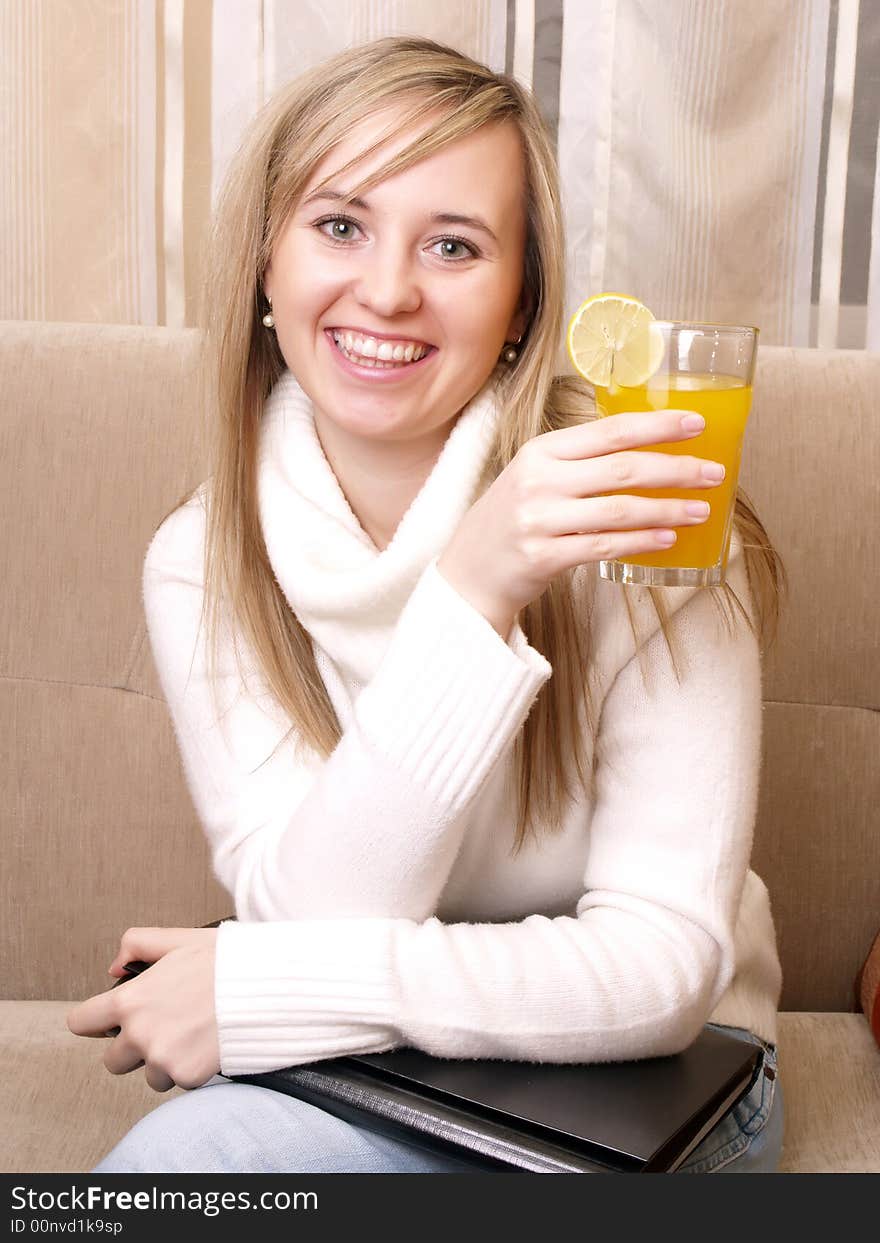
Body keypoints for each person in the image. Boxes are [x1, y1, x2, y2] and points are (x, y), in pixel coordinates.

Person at [67, 34, 785, 1174]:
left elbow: (661, 973)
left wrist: (259, 987)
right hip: (366, 1069)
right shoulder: (199, 560)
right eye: (340, 225)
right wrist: (471, 595)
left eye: (453, 245)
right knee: (170, 1176)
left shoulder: (650, 518)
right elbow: (313, 915)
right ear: (266, 261)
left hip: (661, 1093)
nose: (389, 289)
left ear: (520, 307)